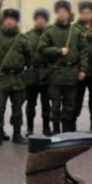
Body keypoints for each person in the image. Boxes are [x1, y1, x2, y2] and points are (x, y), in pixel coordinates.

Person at [38, 0, 89, 134]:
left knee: (70, 104)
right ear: (56, 13)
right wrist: (58, 51)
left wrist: (83, 70)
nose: (62, 14)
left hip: (72, 72)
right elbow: (42, 49)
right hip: (56, 73)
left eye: (64, 12)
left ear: (68, 13)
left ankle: (66, 130)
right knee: (55, 104)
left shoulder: (77, 31)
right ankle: (55, 130)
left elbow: (84, 51)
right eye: (59, 12)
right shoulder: (49, 31)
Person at [0, 8, 32, 147]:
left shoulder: (22, 38)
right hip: (1, 78)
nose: (10, 22)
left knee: (17, 109)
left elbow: (29, 57)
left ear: (16, 21)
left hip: (18, 78)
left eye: (13, 19)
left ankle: (17, 134)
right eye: (8, 19)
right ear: (4, 20)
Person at [73, 1, 92, 131]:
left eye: (88, 13)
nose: (86, 15)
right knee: (76, 96)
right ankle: (72, 121)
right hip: (79, 69)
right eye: (83, 13)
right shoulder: (73, 29)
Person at [24, 8, 52, 136]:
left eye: (43, 19)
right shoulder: (28, 36)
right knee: (31, 103)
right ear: (35, 20)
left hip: (47, 73)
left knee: (46, 103)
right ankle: (29, 128)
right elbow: (23, 54)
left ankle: (46, 127)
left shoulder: (50, 35)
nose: (40, 21)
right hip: (32, 73)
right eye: (38, 18)